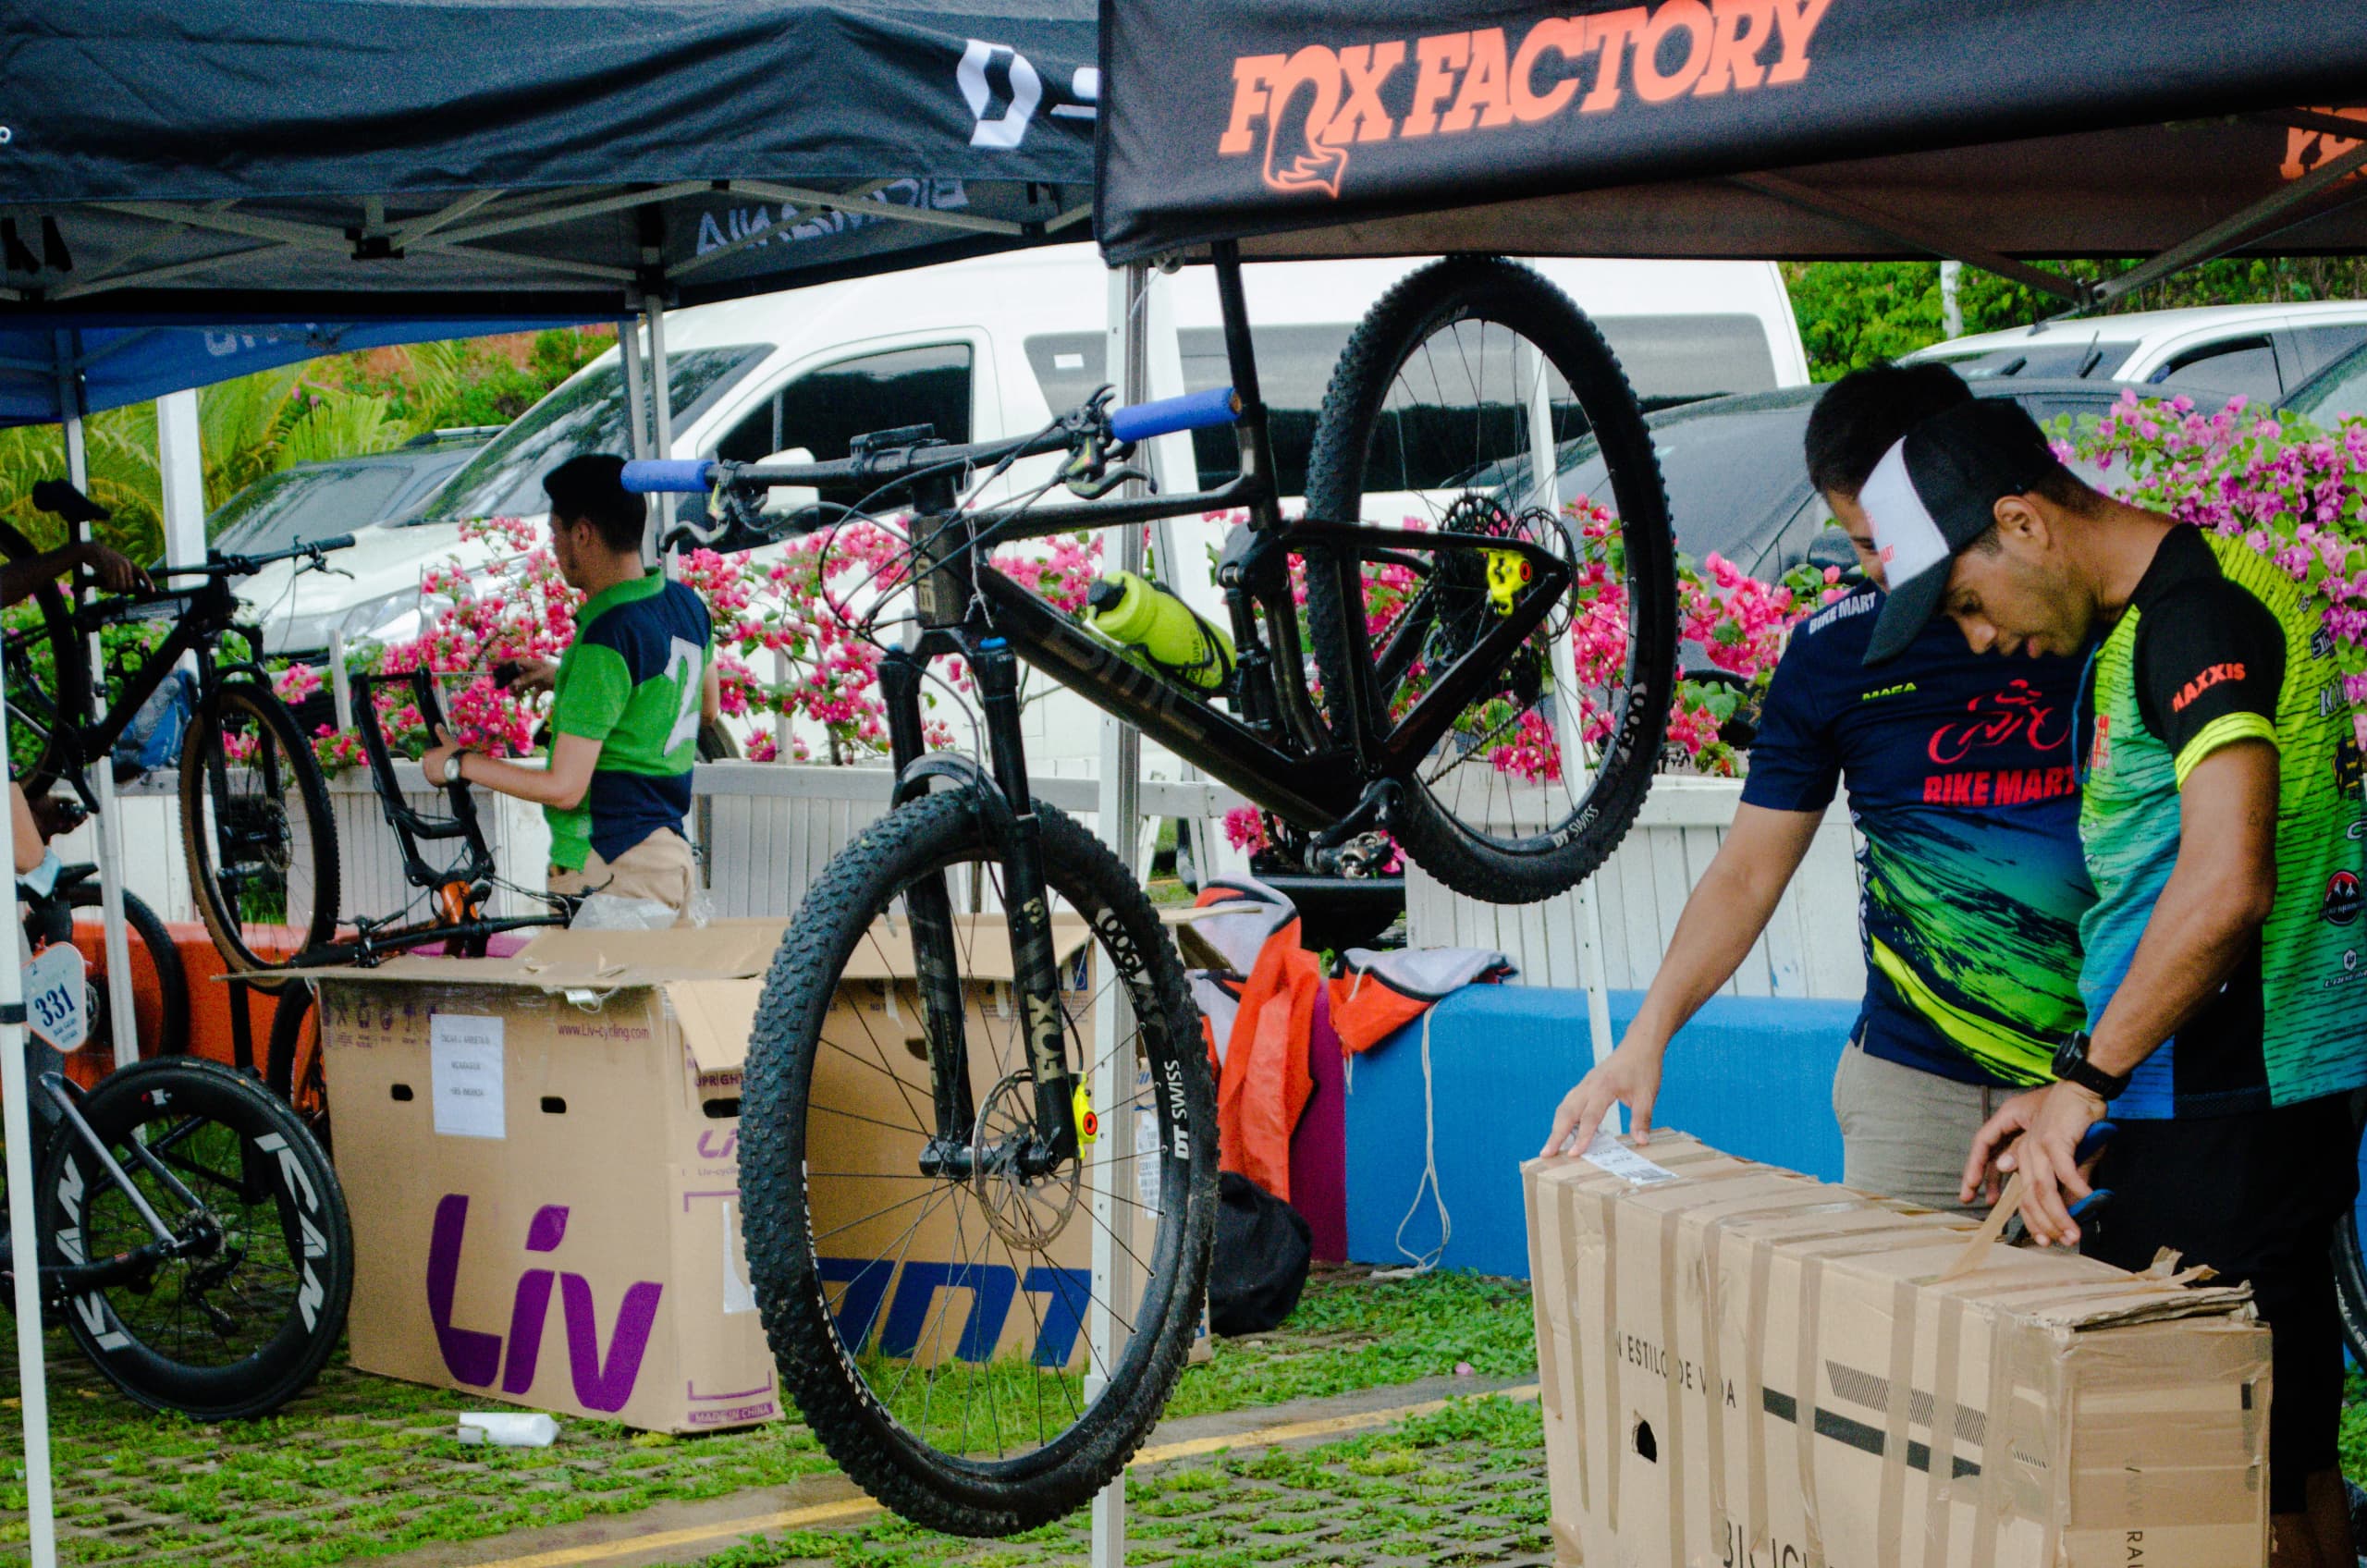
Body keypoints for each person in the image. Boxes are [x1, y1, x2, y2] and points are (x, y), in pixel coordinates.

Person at [1855, 397, 2363, 1568]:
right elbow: (2157, 903)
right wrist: (2069, 1085)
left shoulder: (2195, 620)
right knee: (2280, 1457)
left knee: (2224, 1481)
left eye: (1968, 604)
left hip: (2229, 1110)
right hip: (2216, 1103)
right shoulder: (2171, 610)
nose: (1977, 640)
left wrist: (2087, 1081)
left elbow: (2226, 877)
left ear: (2023, 523)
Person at [1540, 364, 2095, 1214]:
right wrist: (1644, 1038)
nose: (1877, 568)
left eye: (1887, 541)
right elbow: (1748, 871)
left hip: (2099, 1086)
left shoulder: (2097, 628)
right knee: (1897, 1343)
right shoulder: (1836, 653)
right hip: (1914, 1096)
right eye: (1859, 542)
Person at [423, 455, 718, 922]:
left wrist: (460, 764)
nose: (555, 548)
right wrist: (563, 676)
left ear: (582, 533)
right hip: (669, 863)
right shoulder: (685, 603)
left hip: (611, 872)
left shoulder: (607, 638)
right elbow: (706, 709)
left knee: (584, 998)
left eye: (555, 532)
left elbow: (564, 788)